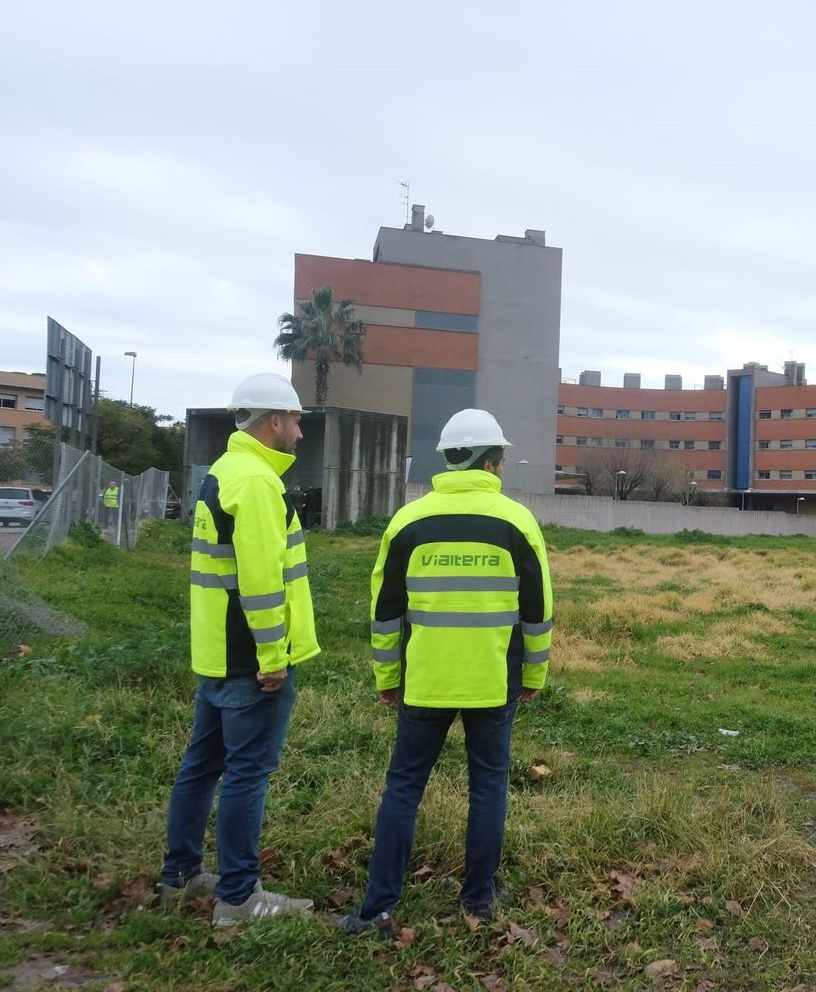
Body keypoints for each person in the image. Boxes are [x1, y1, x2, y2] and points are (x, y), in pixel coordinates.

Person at [338, 409, 553, 938]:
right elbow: (538, 610)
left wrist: (387, 676)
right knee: (488, 788)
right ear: (491, 461)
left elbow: (385, 610)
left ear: (449, 457)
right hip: (492, 681)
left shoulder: (408, 521)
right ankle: (478, 901)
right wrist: (534, 674)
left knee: (403, 789)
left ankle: (378, 910)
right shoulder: (517, 521)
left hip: (424, 683)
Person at [157, 373, 322, 925]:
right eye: (296, 421)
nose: (299, 433)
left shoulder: (223, 472)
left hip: (217, 649)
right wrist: (273, 656)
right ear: (274, 421)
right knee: (247, 773)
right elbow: (259, 578)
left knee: (201, 765)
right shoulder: (255, 482)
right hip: (249, 657)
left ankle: (179, 875)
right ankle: (238, 898)